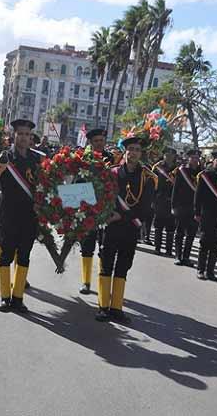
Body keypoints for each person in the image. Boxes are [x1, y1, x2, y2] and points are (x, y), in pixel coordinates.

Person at [97, 132, 155, 323]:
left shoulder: (147, 177)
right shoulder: (111, 172)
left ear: (141, 153)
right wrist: (106, 215)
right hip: (111, 226)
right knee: (106, 265)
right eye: (130, 149)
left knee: (123, 266)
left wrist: (122, 215)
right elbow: (102, 198)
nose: (134, 153)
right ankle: (103, 307)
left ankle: (116, 308)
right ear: (125, 150)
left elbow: (146, 206)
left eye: (138, 150)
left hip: (130, 228)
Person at [0, 119, 43, 313]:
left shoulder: (37, 160)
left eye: (27, 135)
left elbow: (45, 184)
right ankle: (5, 297)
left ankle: (18, 297)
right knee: (6, 255)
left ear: (31, 137)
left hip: (30, 215)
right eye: (20, 134)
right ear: (14, 135)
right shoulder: (6, 157)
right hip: (8, 213)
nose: (23, 138)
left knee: (24, 256)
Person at [79, 127, 113, 294]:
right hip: (88, 208)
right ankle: (86, 282)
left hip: (106, 209)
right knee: (87, 245)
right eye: (96, 141)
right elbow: (77, 182)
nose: (100, 143)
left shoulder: (111, 158)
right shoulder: (83, 158)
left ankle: (101, 280)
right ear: (90, 143)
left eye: (102, 140)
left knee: (104, 246)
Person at [194, 150, 217, 281]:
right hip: (207, 213)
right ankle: (200, 269)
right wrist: (197, 212)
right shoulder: (205, 175)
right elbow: (198, 196)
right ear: (213, 161)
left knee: (216, 243)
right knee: (205, 242)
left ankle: (210, 271)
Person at [172, 149, 201, 266]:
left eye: (197, 158)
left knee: (191, 234)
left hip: (195, 208)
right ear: (188, 158)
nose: (195, 160)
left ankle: (186, 257)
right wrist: (174, 206)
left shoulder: (201, 172)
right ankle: (178, 256)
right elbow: (176, 189)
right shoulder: (182, 171)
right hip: (182, 206)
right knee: (180, 232)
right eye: (193, 158)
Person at [152, 147, 177, 256]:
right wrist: (152, 199)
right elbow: (152, 184)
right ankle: (157, 248)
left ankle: (168, 250)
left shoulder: (178, 168)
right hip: (160, 199)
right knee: (158, 225)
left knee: (171, 227)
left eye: (171, 155)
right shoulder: (157, 167)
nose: (169, 157)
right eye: (167, 154)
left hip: (172, 200)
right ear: (164, 155)